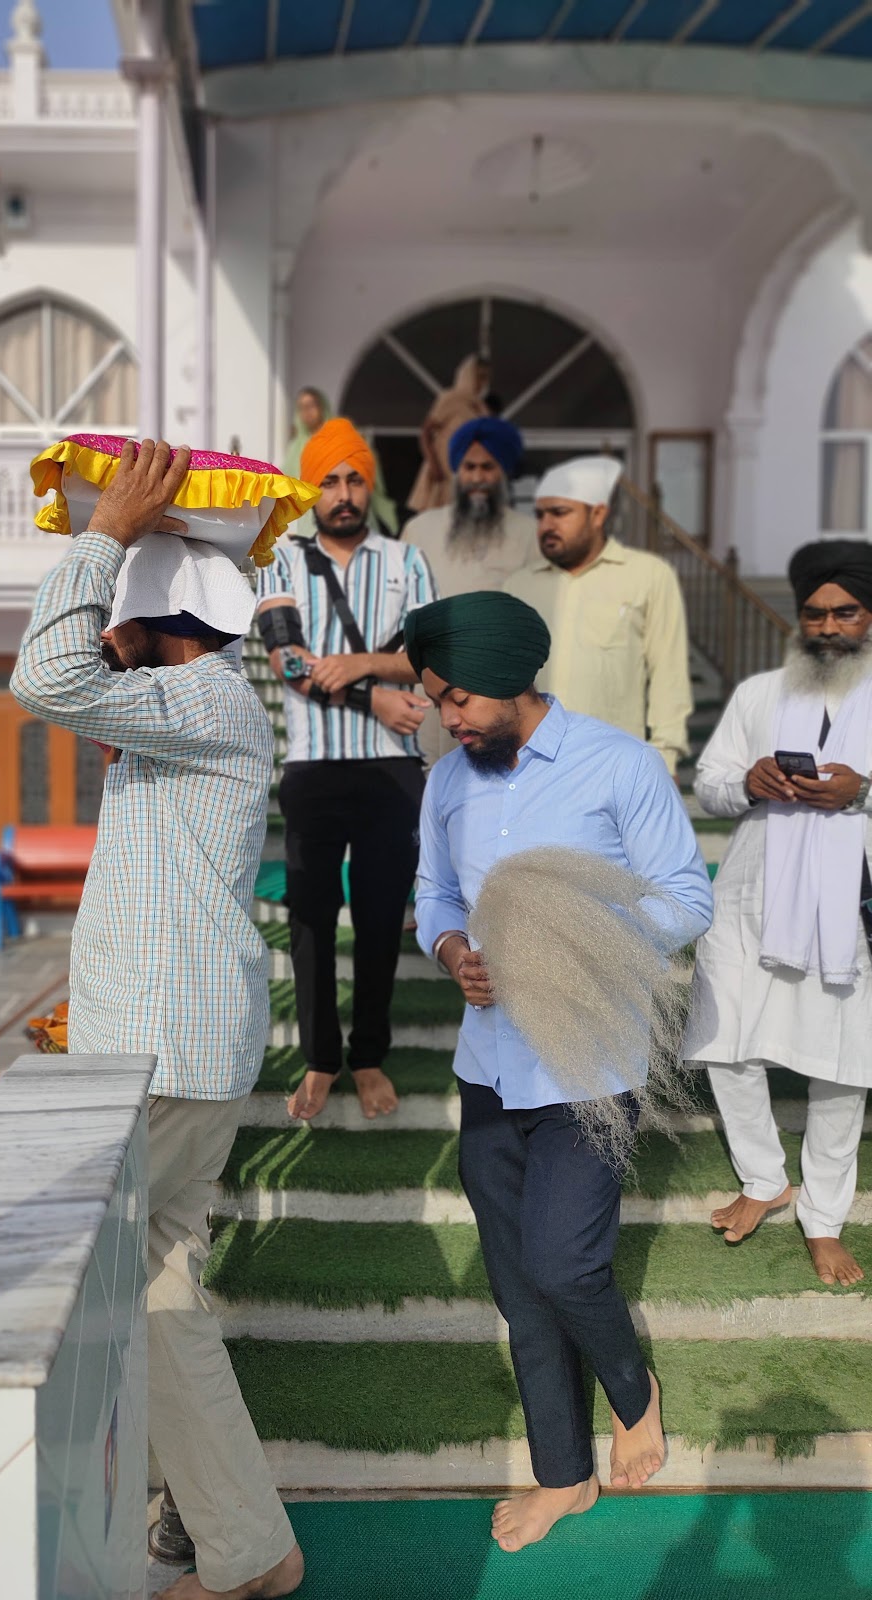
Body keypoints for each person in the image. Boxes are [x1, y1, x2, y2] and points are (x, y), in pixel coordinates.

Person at [11, 438, 303, 1600]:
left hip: (172, 1053)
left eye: (114, 617)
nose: (100, 634)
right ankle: (236, 1541)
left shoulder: (202, 692)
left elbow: (44, 676)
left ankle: (237, 1545)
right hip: (176, 1037)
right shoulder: (190, 702)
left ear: (154, 622)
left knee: (137, 1281)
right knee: (162, 1282)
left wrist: (105, 533)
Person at [409, 589, 712, 1554]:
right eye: (433, 698)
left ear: (511, 679)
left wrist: (573, 941)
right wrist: (453, 945)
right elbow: (434, 891)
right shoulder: (448, 779)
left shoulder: (616, 764)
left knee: (564, 1264)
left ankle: (635, 1391)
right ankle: (562, 1477)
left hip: (588, 1062)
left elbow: (687, 898)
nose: (446, 716)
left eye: (457, 697)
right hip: (488, 1069)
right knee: (516, 1283)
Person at [682, 538, 872, 1289]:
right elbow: (710, 784)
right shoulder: (761, 692)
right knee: (728, 1034)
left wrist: (862, 789)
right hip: (753, 895)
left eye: (845, 613)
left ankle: (823, 1218)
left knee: (842, 1065)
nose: (827, 628)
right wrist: (751, 781)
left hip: (849, 905)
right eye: (814, 614)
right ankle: (764, 1178)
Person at [255, 416, 436, 1123]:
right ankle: (321, 1058)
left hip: (392, 772)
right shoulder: (282, 561)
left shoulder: (406, 561)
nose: (343, 492)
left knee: (381, 918)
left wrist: (362, 663)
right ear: (310, 489)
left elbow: (427, 656)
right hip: (314, 768)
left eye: (354, 478)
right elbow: (287, 661)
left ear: (370, 484)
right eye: (328, 479)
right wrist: (376, 695)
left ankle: (368, 1056)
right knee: (310, 921)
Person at [504, 455, 691, 778]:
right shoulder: (517, 586)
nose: (547, 525)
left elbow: (668, 675)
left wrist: (666, 756)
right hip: (529, 767)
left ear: (598, 513)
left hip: (611, 765)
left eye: (560, 513)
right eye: (540, 515)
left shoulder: (649, 575)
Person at [403, 415, 533, 765]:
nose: (478, 477)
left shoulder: (530, 535)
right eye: (469, 466)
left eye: (487, 467)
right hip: (433, 703)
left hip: (501, 701)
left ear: (503, 471)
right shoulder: (419, 530)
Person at [284, 384, 398, 534]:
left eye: (311, 405)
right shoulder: (295, 447)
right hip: (308, 521)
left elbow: (365, 473)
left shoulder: (343, 438)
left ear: (322, 407)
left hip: (345, 512)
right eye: (302, 407)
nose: (307, 412)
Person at [407, 353, 491, 514]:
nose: (482, 383)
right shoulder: (450, 398)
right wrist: (433, 463)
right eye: (479, 377)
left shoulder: (480, 407)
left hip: (465, 471)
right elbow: (426, 432)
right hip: (443, 470)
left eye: (485, 378)